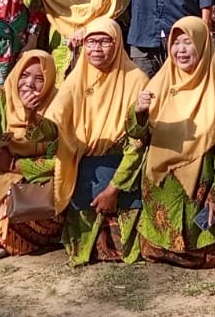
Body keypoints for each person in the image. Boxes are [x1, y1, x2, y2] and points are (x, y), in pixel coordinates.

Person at [129, 17, 215, 268]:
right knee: (154, 245)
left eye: (187, 42)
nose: (180, 50)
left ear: (202, 45)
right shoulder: (160, 81)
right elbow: (138, 136)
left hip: (201, 180)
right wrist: (139, 113)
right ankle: (160, 247)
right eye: (175, 43)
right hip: (160, 178)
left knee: (208, 255)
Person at [47, 16, 146, 266]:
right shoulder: (76, 78)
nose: (97, 49)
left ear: (117, 44)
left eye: (104, 42)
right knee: (84, 244)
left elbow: (138, 142)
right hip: (84, 167)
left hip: (123, 168)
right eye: (91, 42)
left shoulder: (136, 79)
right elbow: (54, 120)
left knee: (124, 245)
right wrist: (36, 125)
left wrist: (113, 189)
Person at [0, 49, 61, 258]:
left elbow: (61, 161)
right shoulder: (1, 97)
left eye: (39, 78)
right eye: (24, 75)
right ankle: (5, 239)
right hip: (5, 174)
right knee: (4, 186)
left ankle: (38, 238)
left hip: (42, 178)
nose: (29, 83)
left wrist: (14, 165)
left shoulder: (59, 104)